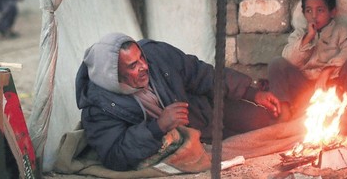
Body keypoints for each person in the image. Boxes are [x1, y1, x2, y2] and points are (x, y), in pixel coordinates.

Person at [75, 32, 284, 171]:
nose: (143, 67)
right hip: (183, 144)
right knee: (264, 143)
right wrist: (158, 127)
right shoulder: (99, 107)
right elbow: (115, 155)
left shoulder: (157, 55)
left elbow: (201, 74)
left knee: (269, 121)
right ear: (113, 74)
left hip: (204, 115)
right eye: (132, 66)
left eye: (141, 58)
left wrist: (251, 92)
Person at [267, 0, 347, 121]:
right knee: (276, 63)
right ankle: (284, 114)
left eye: (320, 10)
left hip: (334, 88)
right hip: (305, 90)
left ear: (332, 12)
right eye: (309, 11)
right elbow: (289, 60)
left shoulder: (342, 30)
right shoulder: (299, 34)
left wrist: (327, 71)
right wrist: (308, 38)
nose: (314, 16)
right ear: (304, 13)